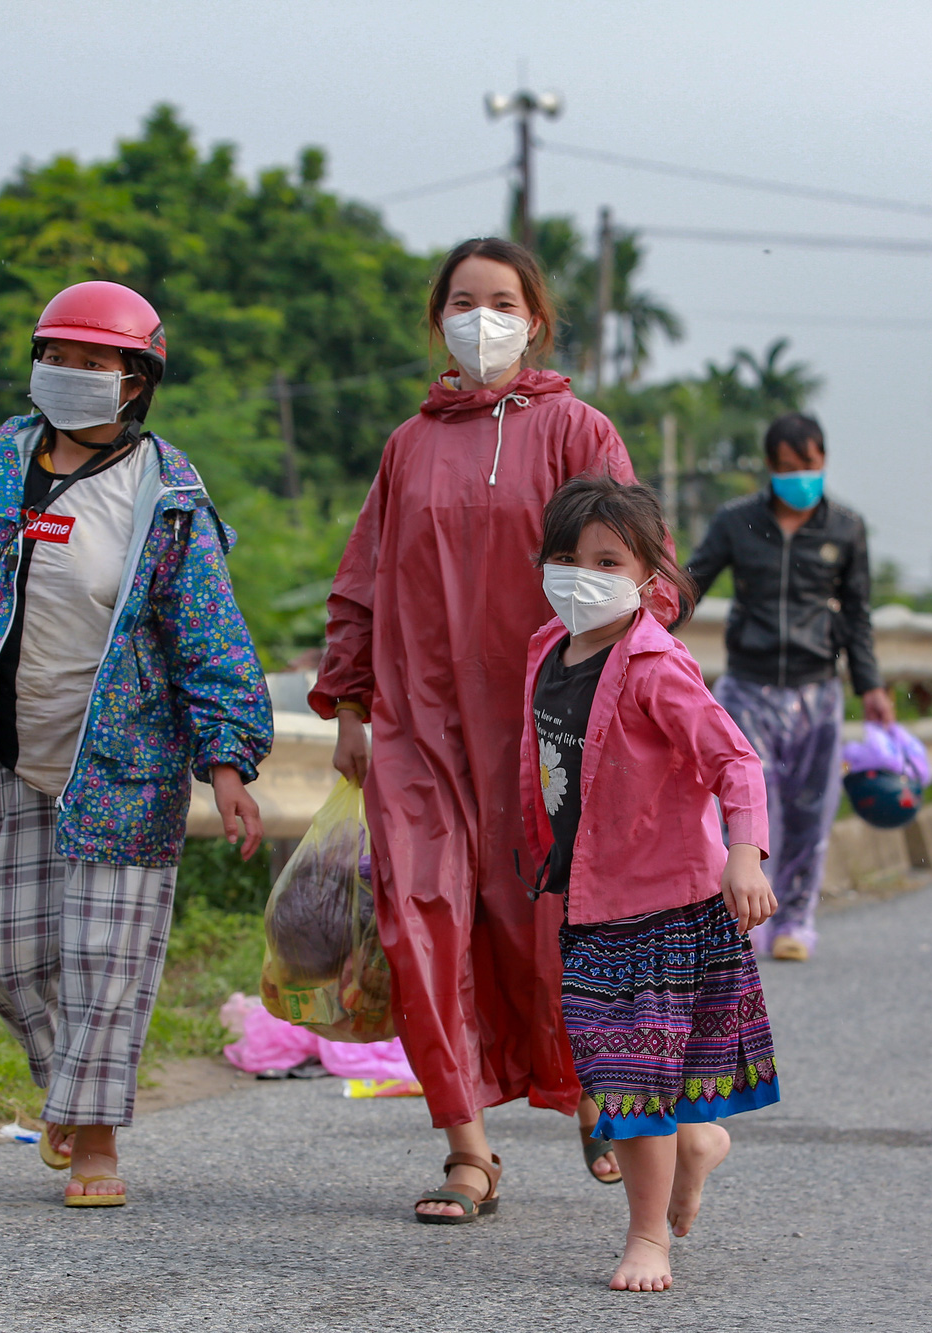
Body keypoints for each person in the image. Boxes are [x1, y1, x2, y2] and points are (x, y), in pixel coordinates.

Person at [0, 281, 272, 1207]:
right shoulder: (0, 470)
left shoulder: (168, 494)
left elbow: (208, 638)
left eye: (95, 363)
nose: (71, 375)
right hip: (9, 754)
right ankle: (71, 1088)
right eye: (57, 357)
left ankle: (95, 1142)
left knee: (107, 962)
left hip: (124, 768)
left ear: (138, 380)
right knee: (8, 953)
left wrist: (227, 764)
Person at [312, 238, 664, 1219]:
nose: (482, 317)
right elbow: (362, 577)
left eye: (501, 300)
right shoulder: (406, 445)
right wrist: (347, 702)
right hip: (420, 728)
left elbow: (644, 576)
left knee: (553, 925)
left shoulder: (579, 431)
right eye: (462, 300)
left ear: (536, 317)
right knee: (420, 920)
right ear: (437, 319)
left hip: (545, 732)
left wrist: (627, 698)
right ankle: (467, 1151)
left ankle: (592, 1080)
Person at [521, 474, 779, 1292]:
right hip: (591, 905)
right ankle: (697, 1145)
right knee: (611, 1074)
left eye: (607, 560)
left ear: (649, 579)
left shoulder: (657, 666)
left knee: (631, 1086)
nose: (581, 574)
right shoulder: (546, 652)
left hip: (667, 907)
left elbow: (735, 759)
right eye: (566, 557)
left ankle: (648, 1240)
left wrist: (745, 853)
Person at [684, 412, 890, 963]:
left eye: (808, 466)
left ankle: (796, 920)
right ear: (770, 469)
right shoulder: (737, 522)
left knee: (810, 811)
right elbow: (691, 585)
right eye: (785, 468)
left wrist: (870, 686)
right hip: (748, 687)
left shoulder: (846, 528)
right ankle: (739, 923)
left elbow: (857, 615)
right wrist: (643, 633)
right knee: (746, 809)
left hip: (818, 688)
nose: (798, 477)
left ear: (823, 461)